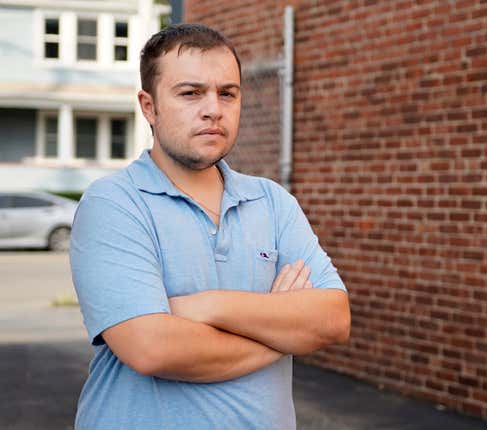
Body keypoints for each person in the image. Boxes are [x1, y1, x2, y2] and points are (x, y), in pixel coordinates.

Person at [70, 23, 350, 429]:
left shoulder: (272, 203)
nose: (213, 109)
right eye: (190, 93)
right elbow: (153, 349)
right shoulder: (115, 203)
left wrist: (206, 305)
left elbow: (334, 319)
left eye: (227, 93)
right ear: (149, 107)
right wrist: (281, 329)